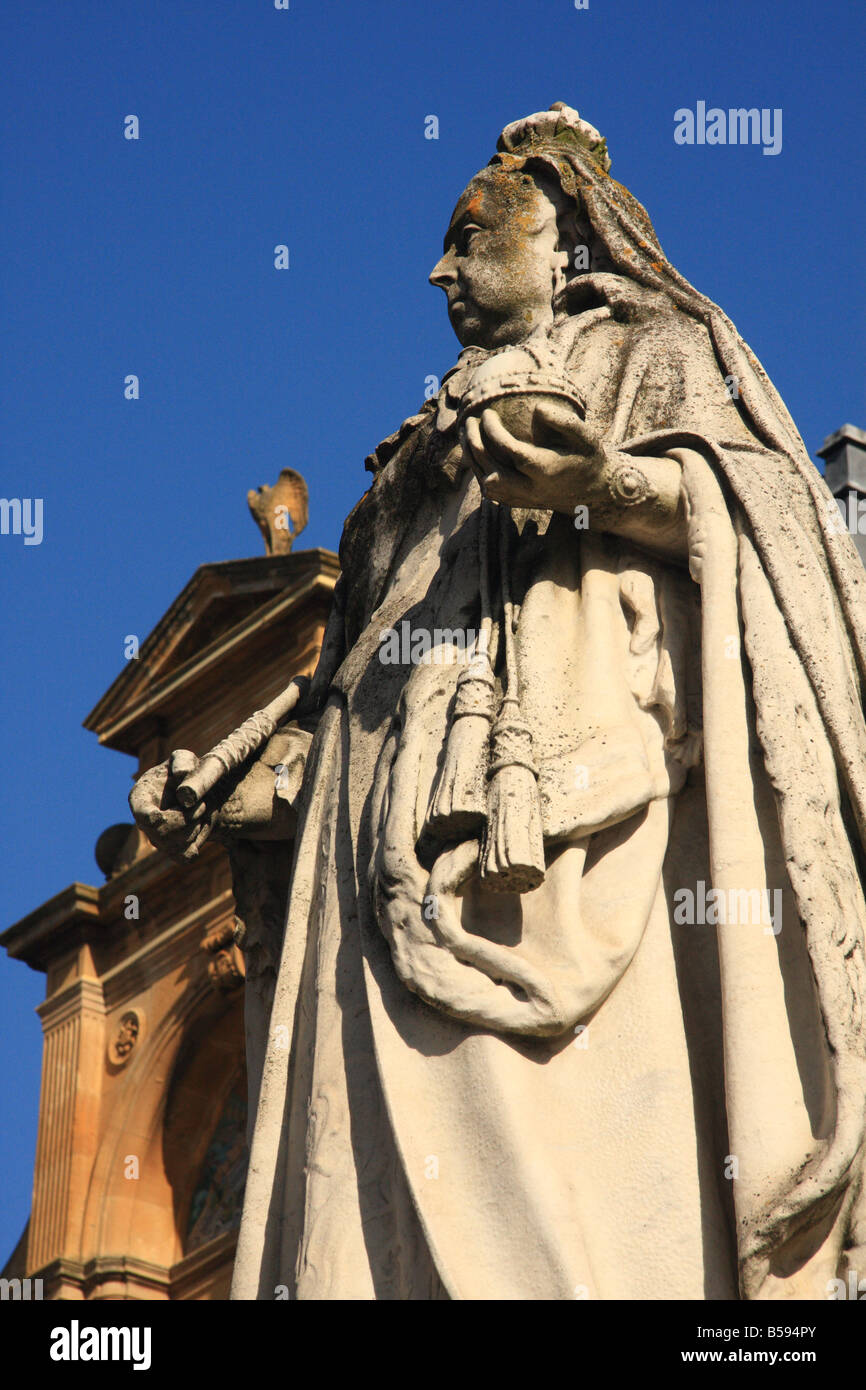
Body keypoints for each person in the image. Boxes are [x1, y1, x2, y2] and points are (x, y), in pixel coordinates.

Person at [132, 103, 866, 1300]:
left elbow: (777, 537)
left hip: (560, 825)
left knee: (559, 1180)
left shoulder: (656, 354)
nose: (439, 269)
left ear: (563, 238)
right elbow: (344, 689)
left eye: (471, 239)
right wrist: (250, 785)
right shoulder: (405, 469)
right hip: (379, 870)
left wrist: (603, 481)